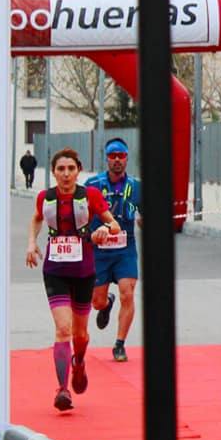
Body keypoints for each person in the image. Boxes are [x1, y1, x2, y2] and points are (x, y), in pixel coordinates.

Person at [25, 147, 120, 412]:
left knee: (80, 333)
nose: (65, 174)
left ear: (78, 171)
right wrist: (32, 243)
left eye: (70, 169)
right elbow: (36, 219)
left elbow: (114, 225)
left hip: (83, 272)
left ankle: (79, 362)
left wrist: (103, 229)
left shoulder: (89, 196)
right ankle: (62, 389)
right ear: (53, 172)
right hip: (55, 271)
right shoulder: (45, 197)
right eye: (60, 169)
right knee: (63, 329)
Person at [86, 137, 143, 363]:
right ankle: (106, 303)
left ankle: (119, 344)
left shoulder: (137, 187)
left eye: (121, 156)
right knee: (96, 302)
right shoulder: (93, 184)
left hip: (125, 247)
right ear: (106, 158)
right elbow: (82, 216)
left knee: (127, 293)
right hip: (99, 249)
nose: (117, 160)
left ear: (127, 158)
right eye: (112, 156)